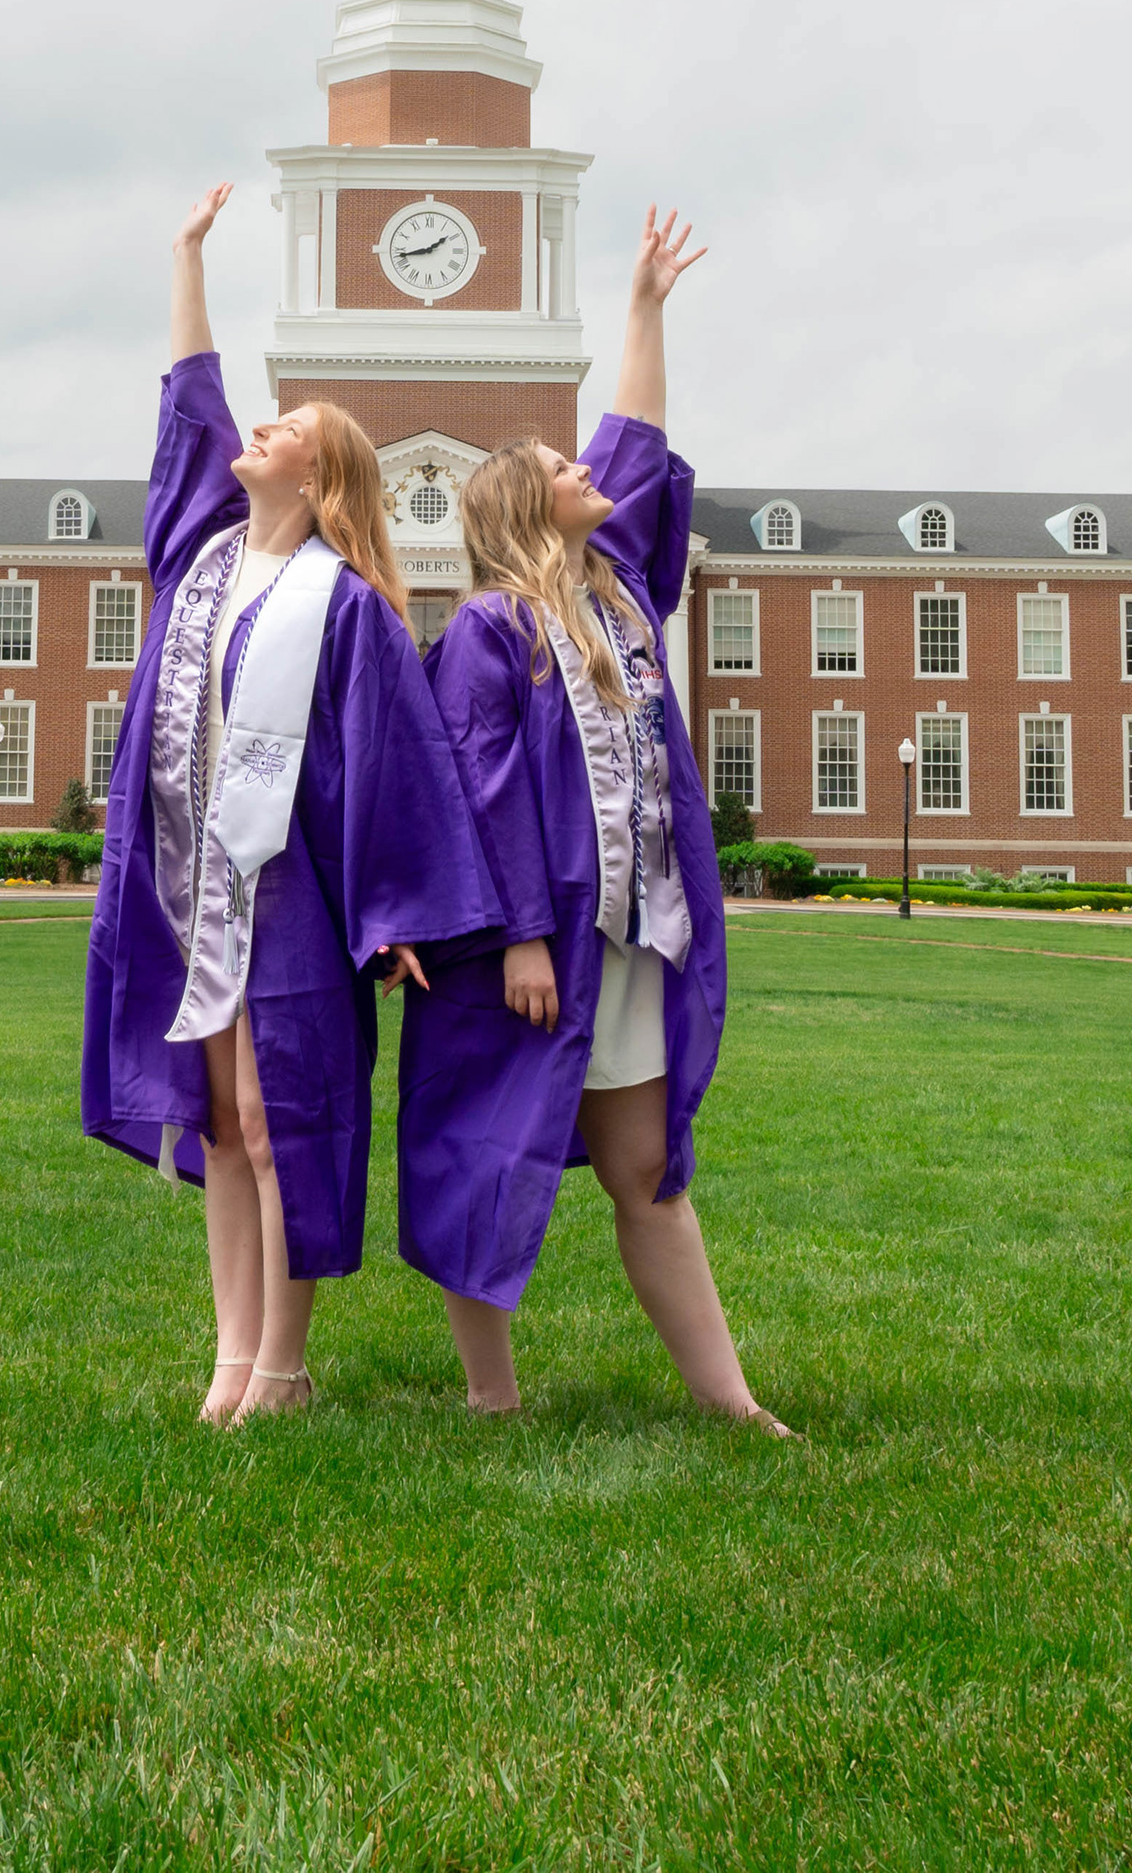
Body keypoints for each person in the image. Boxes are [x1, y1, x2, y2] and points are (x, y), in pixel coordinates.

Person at [81, 183, 492, 1421]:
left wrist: (398, 910)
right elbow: (188, 407)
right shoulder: (202, 553)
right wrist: (186, 258)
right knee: (214, 1122)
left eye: (289, 427)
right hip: (186, 883)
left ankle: (284, 1366)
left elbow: (394, 764)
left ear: (324, 476)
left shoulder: (350, 605)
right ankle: (228, 1358)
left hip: (293, 898)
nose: (256, 429)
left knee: (278, 1124)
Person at [396, 206, 792, 1431]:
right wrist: (517, 935)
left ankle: (732, 1405)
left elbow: (638, 442)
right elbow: (480, 792)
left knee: (646, 1173)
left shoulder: (621, 605)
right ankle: (489, 1398)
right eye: (565, 474)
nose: (590, 477)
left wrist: (645, 310)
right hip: (534, 957)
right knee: (480, 1154)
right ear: (523, 509)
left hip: (630, 942)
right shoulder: (487, 635)